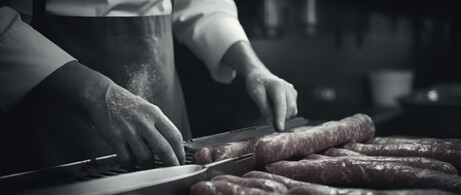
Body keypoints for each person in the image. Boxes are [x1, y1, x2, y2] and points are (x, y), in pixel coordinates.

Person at [0, 0, 298, 175]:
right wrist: (97, 92)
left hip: (164, 95)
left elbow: (203, 5)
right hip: (59, 113)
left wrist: (255, 68)